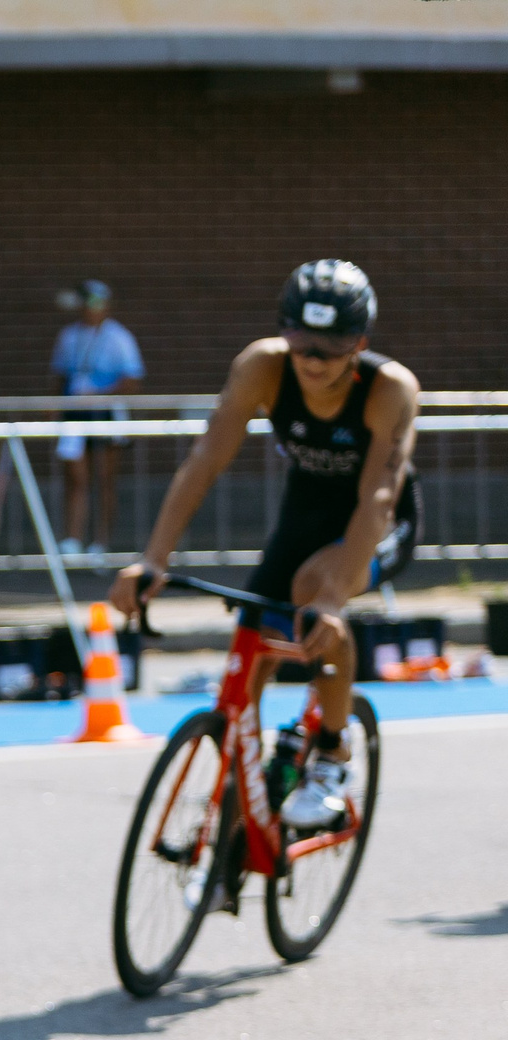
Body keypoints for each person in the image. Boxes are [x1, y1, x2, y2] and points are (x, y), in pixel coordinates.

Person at [113, 259, 418, 831]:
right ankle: (236, 814)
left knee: (312, 595)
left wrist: (330, 600)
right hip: (303, 515)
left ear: (359, 345)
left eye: (329, 348)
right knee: (249, 650)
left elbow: (377, 495)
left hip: (379, 522)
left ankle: (330, 752)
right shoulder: (262, 366)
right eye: (301, 342)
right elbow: (205, 460)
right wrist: (153, 559)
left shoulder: (390, 390)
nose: (311, 361)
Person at [51, 280, 144, 558]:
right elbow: (59, 377)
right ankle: (73, 538)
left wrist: (99, 393)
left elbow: (132, 380)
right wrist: (55, 408)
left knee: (105, 478)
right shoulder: (69, 336)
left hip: (105, 414)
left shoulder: (119, 337)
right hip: (75, 414)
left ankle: (100, 542)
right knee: (76, 476)